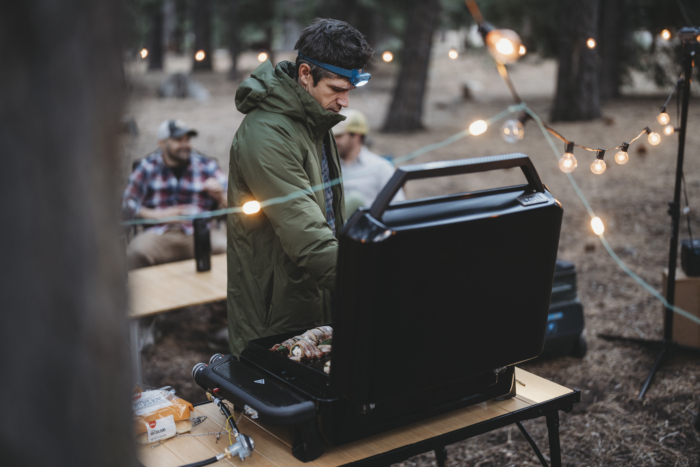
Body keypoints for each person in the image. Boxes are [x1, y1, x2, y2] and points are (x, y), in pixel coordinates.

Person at [226, 18, 373, 355]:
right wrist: (371, 285)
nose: (345, 102)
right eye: (336, 90)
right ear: (305, 74)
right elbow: (305, 233)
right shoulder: (266, 135)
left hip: (316, 291)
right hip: (274, 310)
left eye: (349, 91)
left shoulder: (314, 121)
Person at [123, 119, 228, 269]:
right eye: (178, 140)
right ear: (162, 143)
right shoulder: (147, 167)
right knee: (135, 253)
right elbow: (126, 203)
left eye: (188, 139)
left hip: (199, 233)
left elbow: (235, 204)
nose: (185, 145)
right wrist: (158, 215)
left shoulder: (207, 166)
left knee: (226, 249)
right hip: (159, 234)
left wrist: (220, 196)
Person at [333, 109, 405, 214]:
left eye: (339, 136)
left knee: (354, 199)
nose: (334, 141)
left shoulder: (381, 167)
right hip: (330, 227)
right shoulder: (327, 167)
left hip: (366, 227)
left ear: (356, 136)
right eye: (332, 136)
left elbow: (397, 206)